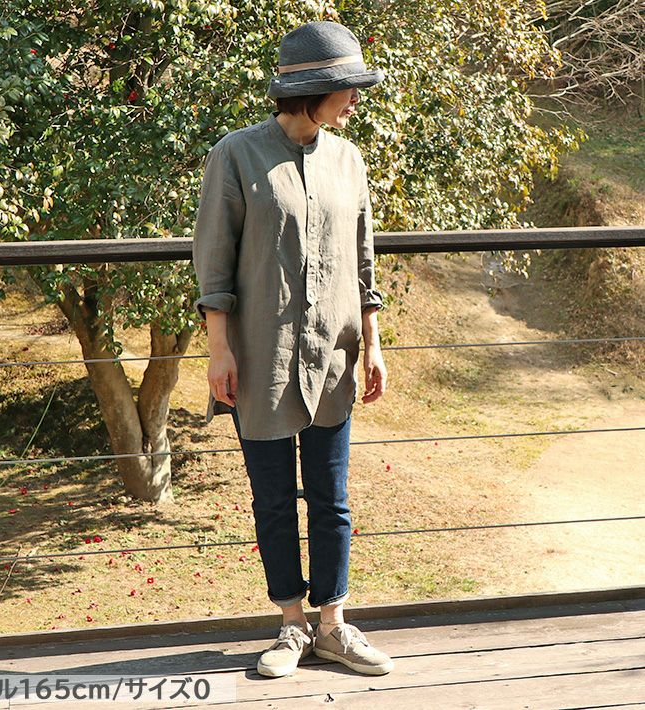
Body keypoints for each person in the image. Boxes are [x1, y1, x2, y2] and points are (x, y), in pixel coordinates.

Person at [192, 20, 392, 678]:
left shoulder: (349, 160)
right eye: (348, 88)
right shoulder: (236, 155)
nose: (356, 100)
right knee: (274, 500)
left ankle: (333, 625)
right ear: (315, 90)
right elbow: (214, 264)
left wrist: (373, 345)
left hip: (333, 355)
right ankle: (291, 625)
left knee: (332, 498)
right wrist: (219, 350)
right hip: (261, 358)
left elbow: (363, 262)